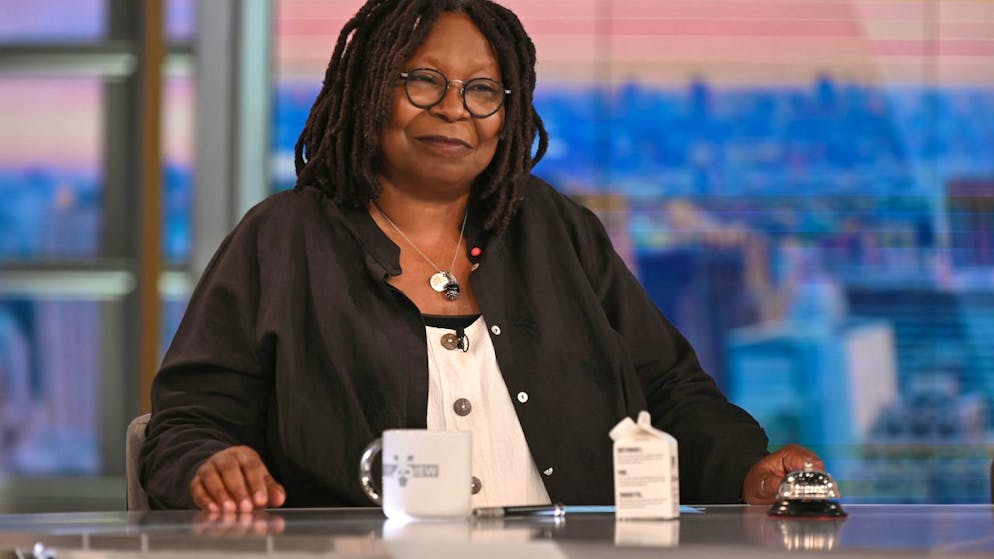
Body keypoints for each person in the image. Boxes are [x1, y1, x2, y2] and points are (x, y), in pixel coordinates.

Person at [140, 0, 822, 512]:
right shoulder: (283, 240)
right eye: (424, 81)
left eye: (482, 90)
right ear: (371, 90)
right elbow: (189, 422)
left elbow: (672, 393)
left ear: (506, 112)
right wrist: (210, 464)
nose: (454, 109)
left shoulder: (557, 230)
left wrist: (748, 469)